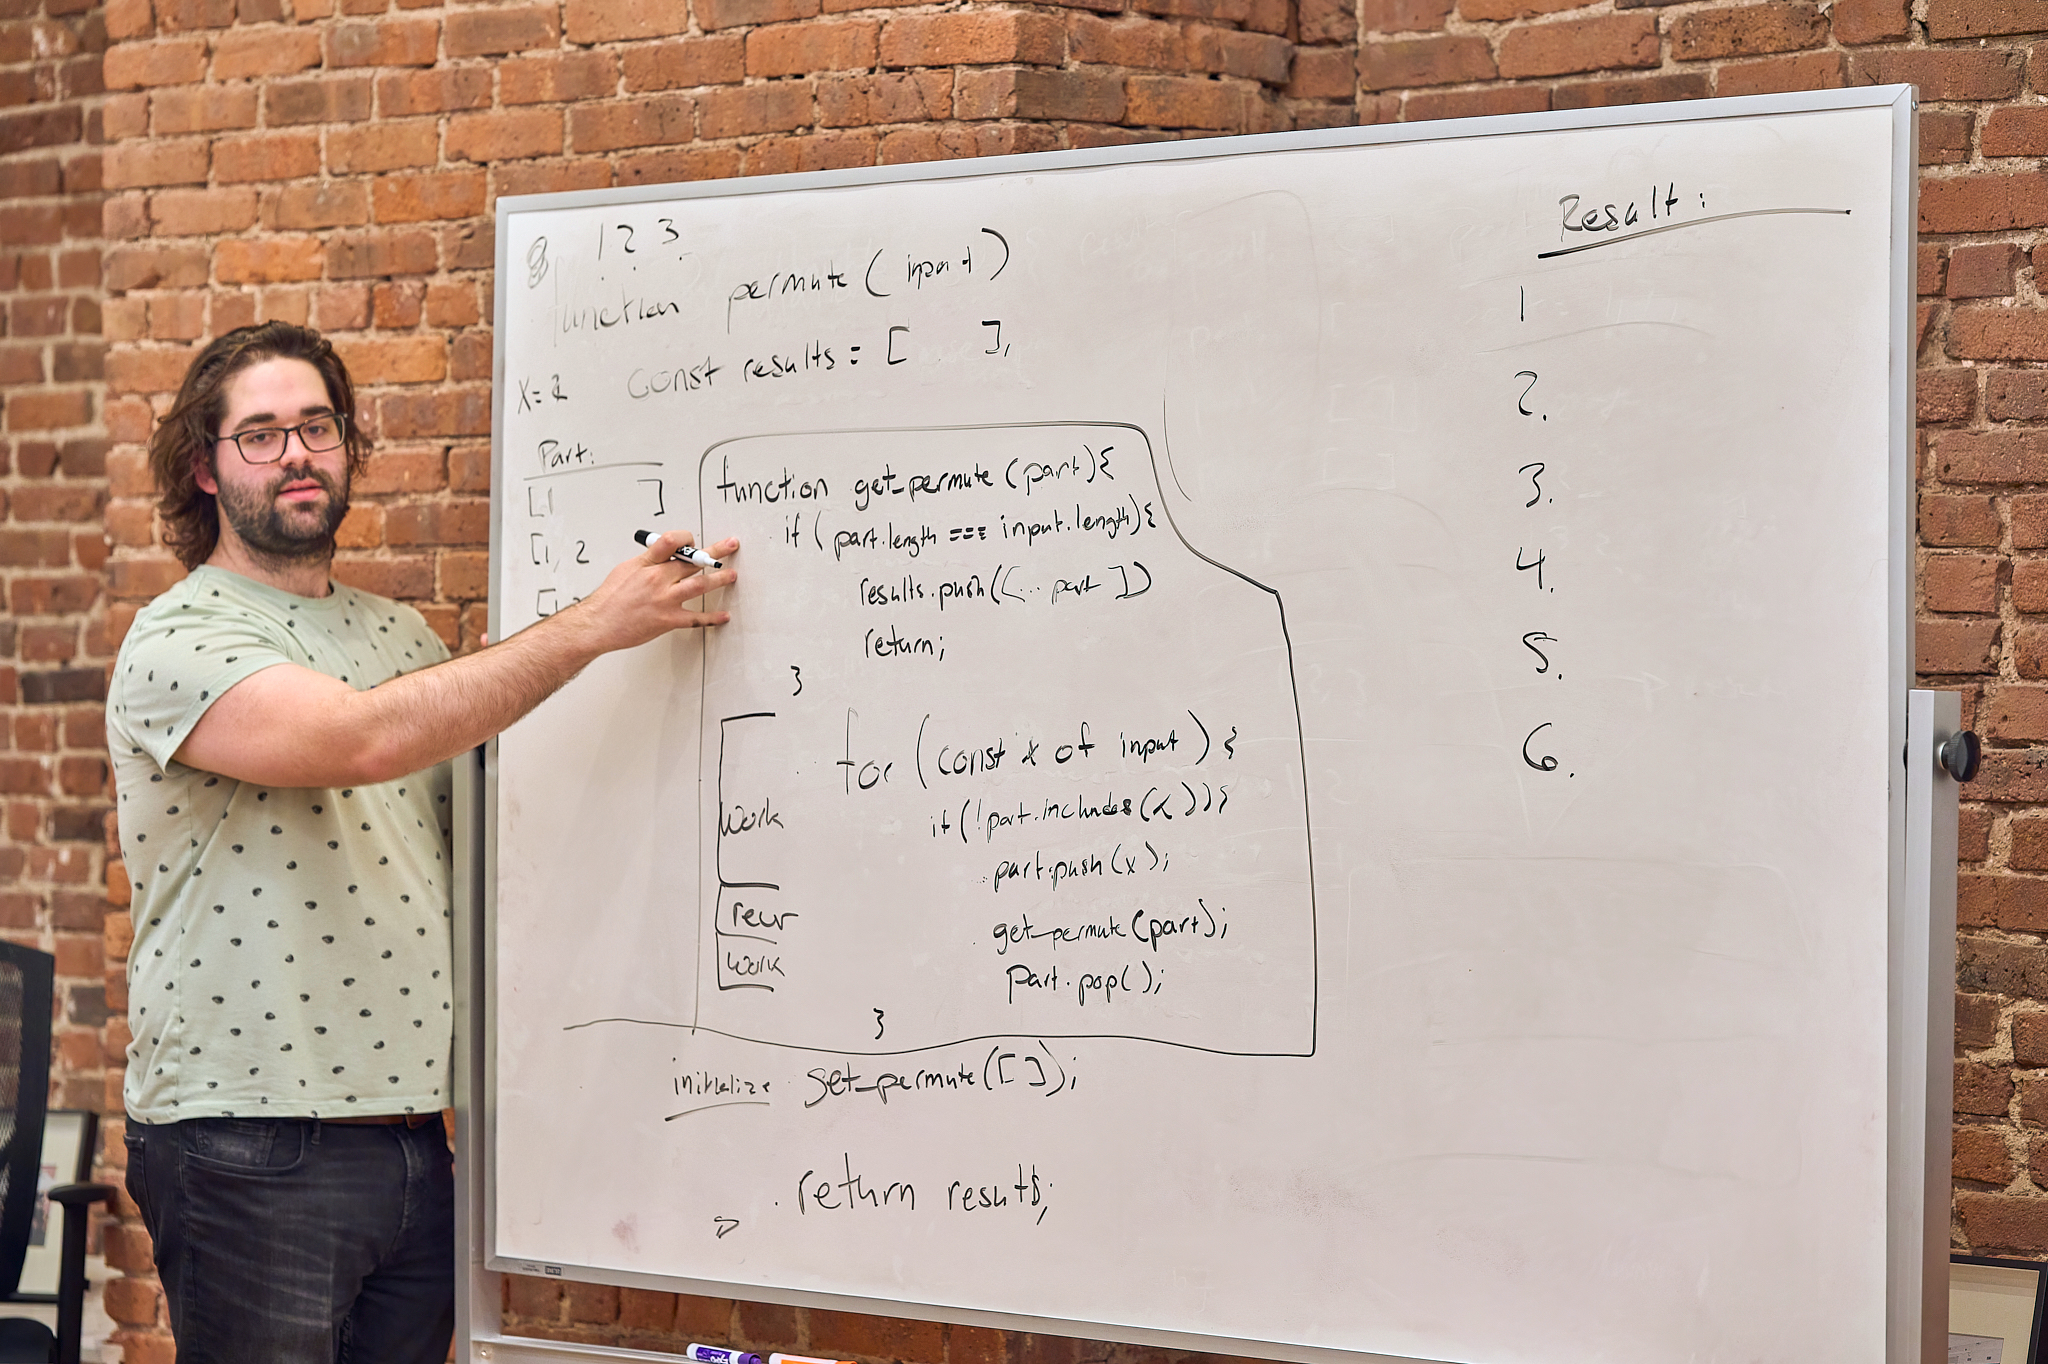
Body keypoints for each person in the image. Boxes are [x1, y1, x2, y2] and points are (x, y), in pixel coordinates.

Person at [106, 321, 737, 1362]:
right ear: (203, 467)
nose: (296, 452)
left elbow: (480, 851)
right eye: (258, 434)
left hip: (409, 1133)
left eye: (316, 425)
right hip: (246, 1137)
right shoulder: (180, 634)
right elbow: (359, 737)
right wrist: (594, 623)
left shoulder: (396, 635)